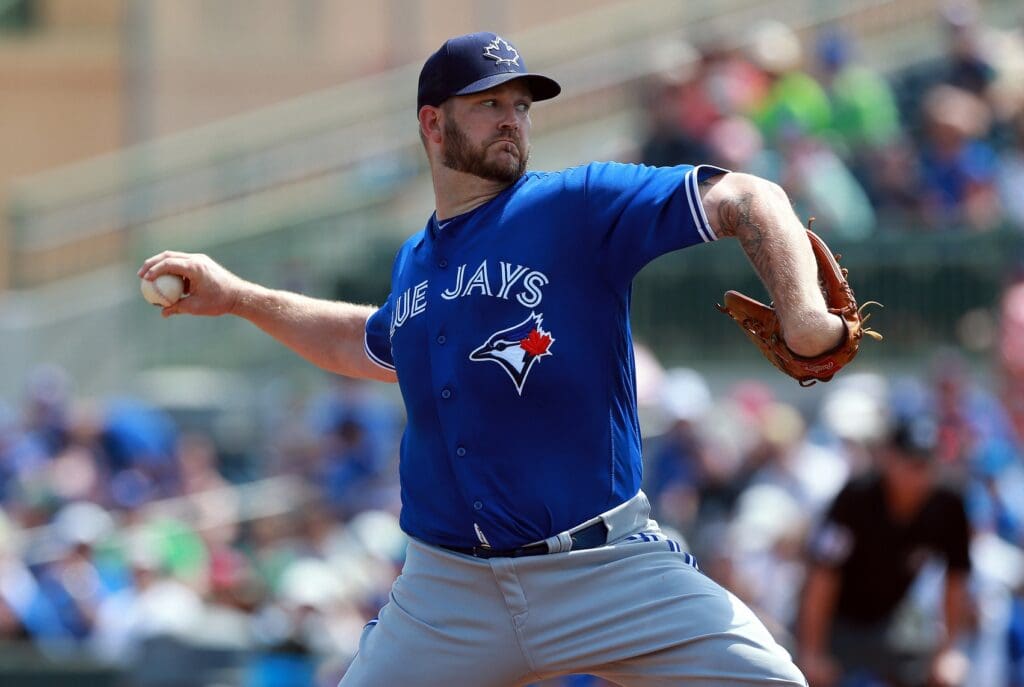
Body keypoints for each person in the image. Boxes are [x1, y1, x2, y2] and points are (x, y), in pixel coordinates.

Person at [138, 31, 847, 686]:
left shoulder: (577, 205)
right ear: (432, 123)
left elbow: (749, 195)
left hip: (606, 567)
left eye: (521, 104)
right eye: (488, 104)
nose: (512, 117)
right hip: (448, 593)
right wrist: (236, 296)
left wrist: (805, 311)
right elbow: (369, 341)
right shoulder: (416, 263)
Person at [797, 415, 973, 687]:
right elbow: (822, 575)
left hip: (892, 620)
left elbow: (956, 580)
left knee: (944, 676)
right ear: (890, 459)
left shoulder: (948, 504)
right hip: (836, 620)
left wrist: (948, 652)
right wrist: (812, 651)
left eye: (927, 464)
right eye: (912, 462)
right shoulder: (856, 497)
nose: (919, 473)